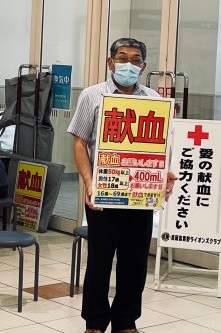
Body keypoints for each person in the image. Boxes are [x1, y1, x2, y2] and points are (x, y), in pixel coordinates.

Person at [67, 38, 176, 333]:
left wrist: (164, 174)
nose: (128, 64)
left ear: (143, 65)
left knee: (135, 261)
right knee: (99, 261)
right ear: (110, 62)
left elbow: (160, 147)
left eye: (135, 59)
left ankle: (126, 321)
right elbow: (79, 143)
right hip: (104, 193)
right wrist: (89, 182)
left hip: (140, 194)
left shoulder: (153, 99)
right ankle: (94, 322)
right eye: (122, 57)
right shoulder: (92, 95)